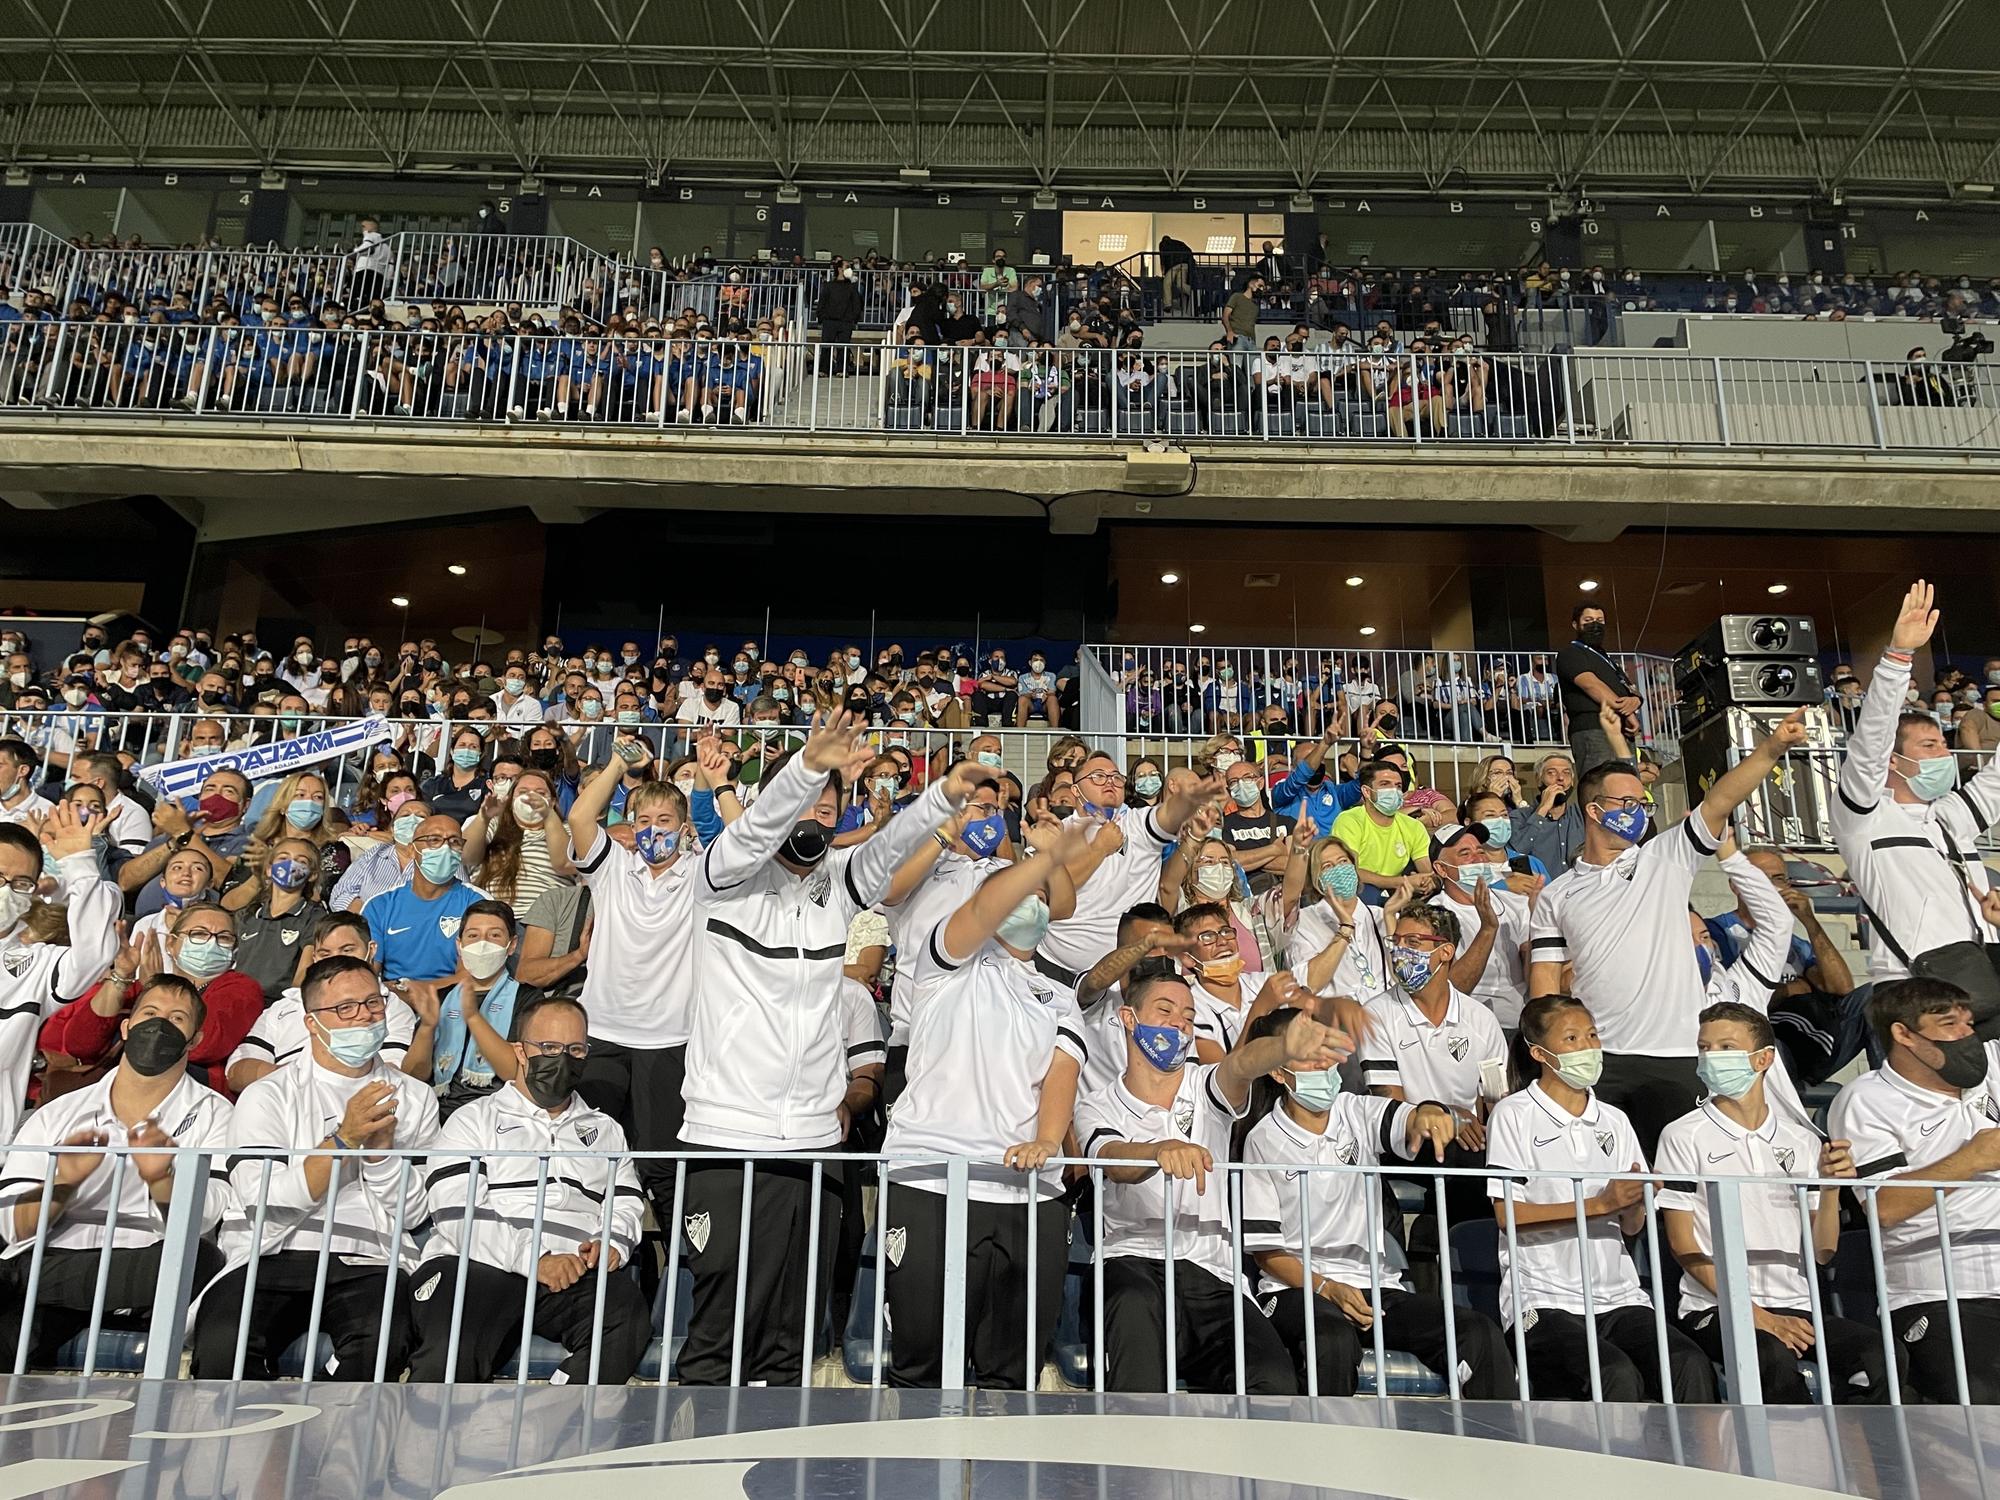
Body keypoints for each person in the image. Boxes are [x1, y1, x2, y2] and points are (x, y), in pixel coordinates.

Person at [675, 712, 975, 1387]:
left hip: (811, 1142)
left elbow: (888, 848)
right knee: (719, 1328)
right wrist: (809, 767)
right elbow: (752, 829)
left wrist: (940, 798)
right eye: (807, 801)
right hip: (728, 1136)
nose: (817, 814)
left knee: (792, 1333)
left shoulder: (837, 885)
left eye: (829, 808)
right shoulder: (722, 877)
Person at [1528, 708, 1807, 1154]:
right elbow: (1544, 984)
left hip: (1677, 1057)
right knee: (1616, 1189)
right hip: (1601, 1060)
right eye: (1628, 804)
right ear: (1593, 810)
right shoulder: (1556, 895)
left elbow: (1718, 801)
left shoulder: (1665, 857)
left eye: (1644, 804)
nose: (1639, 812)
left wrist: (1771, 749)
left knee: (1685, 1183)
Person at [881, 818, 1092, 1388]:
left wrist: (1049, 1140)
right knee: (922, 1363)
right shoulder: (944, 959)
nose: (1032, 904)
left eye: (1041, 898)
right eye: (1019, 892)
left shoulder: (1060, 996)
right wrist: (1043, 859)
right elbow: (979, 912)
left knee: (1013, 1369)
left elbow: (1062, 1074)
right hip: (930, 1178)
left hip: (1029, 1190)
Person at [1076, 964, 1347, 1394]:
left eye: (1188, 1017)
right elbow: (1112, 1160)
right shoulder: (1096, 1104)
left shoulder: (1205, 1087)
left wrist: (1282, 1047)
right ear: (1129, 1019)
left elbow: (1240, 1065)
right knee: (1136, 1367)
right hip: (1130, 1265)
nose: (1179, 1024)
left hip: (1214, 1276)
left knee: (1272, 1383)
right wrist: (1158, 1150)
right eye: (1165, 1011)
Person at [1239, 1005, 1515, 1398]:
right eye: (1306, 1052)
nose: (1322, 1062)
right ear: (1279, 1071)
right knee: (1330, 1339)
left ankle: (1491, 1454)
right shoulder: (1262, 1140)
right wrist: (1327, 1289)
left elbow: (1405, 1119)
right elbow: (1268, 1254)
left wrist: (1428, 1115)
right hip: (1298, 1291)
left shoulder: (1355, 1110)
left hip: (1377, 1286)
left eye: (1324, 1047)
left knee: (1477, 1332)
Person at [192, 953, 439, 1380]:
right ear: (311, 1022)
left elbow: (416, 1212)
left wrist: (380, 1156)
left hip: (370, 1257)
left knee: (379, 1350)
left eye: (373, 1004)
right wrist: (344, 1141)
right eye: (345, 1008)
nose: (364, 1017)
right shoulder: (267, 1094)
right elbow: (260, 1195)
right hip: (270, 1251)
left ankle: (326, 1441)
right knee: (223, 1350)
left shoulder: (415, 1097)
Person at [1657, 1001, 1898, 1404]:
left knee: (1877, 1357)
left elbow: (1823, 1251)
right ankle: (1790, 1464)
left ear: (1764, 1058)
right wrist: (1757, 1316)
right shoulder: (1683, 1136)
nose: (1710, 1058)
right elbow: (1683, 1245)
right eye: (1704, 1048)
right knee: (1769, 1356)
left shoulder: (1802, 1140)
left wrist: (1831, 1186)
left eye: (1725, 1047)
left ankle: (1858, 1461)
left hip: (1796, 1306)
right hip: (1714, 1309)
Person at [1483, 994, 1717, 1401]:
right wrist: (1600, 1204)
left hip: (1620, 1296)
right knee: (1613, 1373)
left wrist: (1635, 1203)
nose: (1588, 1047)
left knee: (1687, 1363)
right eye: (1572, 1038)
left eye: (1592, 1035)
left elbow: (1631, 1227)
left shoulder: (1615, 1119)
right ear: (1539, 1052)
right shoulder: (1513, 1114)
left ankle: (1697, 1465)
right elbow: (1508, 1215)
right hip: (1543, 1299)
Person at [407, 994, 649, 1386]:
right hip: (478, 1265)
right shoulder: (472, 1120)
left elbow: (625, 1199)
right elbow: (456, 1213)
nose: (562, 1059)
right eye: (549, 1047)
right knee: (451, 1351)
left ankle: (559, 1430)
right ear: (520, 1050)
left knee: (626, 1313)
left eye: (575, 1049)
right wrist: (535, 1258)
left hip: (569, 1274)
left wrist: (613, 1241)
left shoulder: (606, 1130)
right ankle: (436, 1443)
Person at [0, 974, 230, 1367]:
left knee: (198, 1259)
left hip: (141, 1273)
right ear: (126, 1026)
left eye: (177, 1019)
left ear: (194, 1040)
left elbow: (208, 1215)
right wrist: (64, 1182)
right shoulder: (59, 1113)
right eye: (150, 1013)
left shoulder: (216, 1116)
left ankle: (22, 1283)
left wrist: (162, 1180)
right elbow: (12, 1225)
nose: (158, 1026)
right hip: (57, 1260)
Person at [1828, 977, 2000, 1402]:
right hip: (1942, 1292)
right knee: (1982, 1418)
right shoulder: (1866, 1099)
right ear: (1903, 1034)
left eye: (1969, 1023)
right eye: (1949, 1025)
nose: (1967, 1036)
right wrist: (1972, 1158)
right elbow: (1883, 1207)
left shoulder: (1991, 1069)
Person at [1831, 581, 2000, 1012]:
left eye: (1942, 745)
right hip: (1913, 991)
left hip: (1984, 979)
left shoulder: (1949, 818)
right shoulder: (1865, 818)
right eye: (1929, 747)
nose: (1944, 753)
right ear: (1893, 761)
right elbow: (1870, 742)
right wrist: (1897, 659)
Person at [563, 733, 698, 1225]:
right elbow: (580, 818)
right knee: (592, 1159)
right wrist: (619, 765)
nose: (652, 830)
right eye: (643, 820)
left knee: (661, 1165)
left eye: (664, 821)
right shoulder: (613, 868)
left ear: (684, 828)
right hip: (601, 1033)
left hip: (669, 1039)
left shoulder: (703, 878)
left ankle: (673, 1273)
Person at [1038, 753, 1221, 989]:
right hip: (1057, 973)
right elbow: (1051, 893)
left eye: (1116, 777)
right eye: (1098, 777)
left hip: (1129, 978)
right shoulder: (1054, 834)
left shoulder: (1136, 824)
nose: (1109, 782)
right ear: (1075, 790)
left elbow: (1163, 817)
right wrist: (1100, 848)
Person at [0, 807, 119, 1139]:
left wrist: (80, 866)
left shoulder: (38, 965)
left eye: (20, 883)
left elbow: (95, 953)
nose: (7, 891)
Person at [225, 912, 418, 1092]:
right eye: (325, 954)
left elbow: (393, 1073)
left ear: (371, 950)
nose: (336, 961)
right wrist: (295, 1080)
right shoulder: (284, 1007)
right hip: (286, 1101)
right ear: (315, 958)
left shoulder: (392, 1009)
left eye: (347, 950)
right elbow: (236, 1072)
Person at [398, 899, 543, 1118]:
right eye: (473, 936)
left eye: (494, 935)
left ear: (511, 945)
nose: (482, 944)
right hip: (437, 1110)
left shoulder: (528, 998)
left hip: (498, 1112)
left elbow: (514, 1072)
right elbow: (413, 1076)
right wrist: (427, 1027)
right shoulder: (442, 998)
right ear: (460, 945)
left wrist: (474, 1018)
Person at [1428, 823, 1532, 1031]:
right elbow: (1453, 989)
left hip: (1523, 1024)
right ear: (1441, 868)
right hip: (1471, 1028)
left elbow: (1534, 975)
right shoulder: (1434, 915)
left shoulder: (1517, 904)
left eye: (1480, 851)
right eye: (1465, 853)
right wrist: (1487, 929)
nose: (1478, 859)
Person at [362, 814, 488, 982]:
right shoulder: (379, 906)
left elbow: (476, 974)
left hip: (455, 1001)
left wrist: (421, 992)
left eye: (455, 842)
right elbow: (367, 974)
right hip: (395, 1002)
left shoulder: (478, 903)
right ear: (411, 850)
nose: (446, 848)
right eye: (434, 840)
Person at [1554, 601, 1641, 775]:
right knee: (1600, 781)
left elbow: (1629, 687)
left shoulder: (1607, 658)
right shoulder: (1571, 653)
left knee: (1630, 782)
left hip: (1622, 731)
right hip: (1592, 728)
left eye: (1600, 621)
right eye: (1589, 620)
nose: (1595, 624)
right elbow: (1591, 684)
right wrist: (1628, 711)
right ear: (1575, 624)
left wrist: (1636, 700)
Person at [1328, 760, 1431, 904]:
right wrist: (1401, 882)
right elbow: (1350, 872)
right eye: (1385, 784)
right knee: (1367, 893)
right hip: (1362, 890)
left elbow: (1427, 871)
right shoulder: (1349, 820)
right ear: (1367, 791)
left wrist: (1429, 883)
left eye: (1398, 786)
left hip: (1395, 889)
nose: (1393, 790)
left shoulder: (1413, 826)